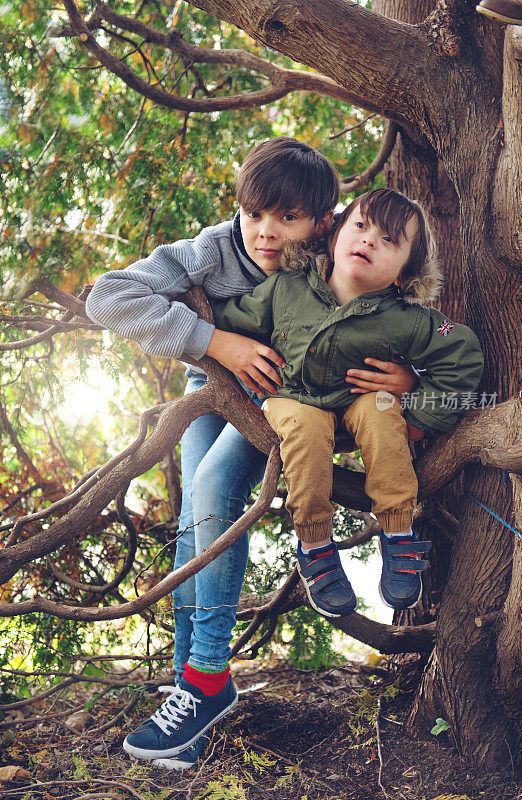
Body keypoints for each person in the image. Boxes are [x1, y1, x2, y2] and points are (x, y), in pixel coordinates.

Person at [85, 140, 418, 765]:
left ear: (323, 221)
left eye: (287, 218)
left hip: (293, 399)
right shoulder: (213, 248)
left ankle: (207, 677)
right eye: (254, 214)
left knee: (214, 489)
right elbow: (108, 298)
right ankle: (190, 689)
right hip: (215, 387)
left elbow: (397, 316)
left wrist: (407, 378)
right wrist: (215, 341)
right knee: (193, 527)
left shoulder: (337, 251)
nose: (266, 233)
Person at [214, 188, 484, 620]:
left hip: (358, 406)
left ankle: (398, 531)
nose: (370, 240)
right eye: (360, 226)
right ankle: (316, 544)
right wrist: (204, 327)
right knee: (303, 423)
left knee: (380, 407)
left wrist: (421, 419)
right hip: (294, 400)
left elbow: (461, 352)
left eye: (389, 240)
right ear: (336, 234)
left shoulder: (405, 318)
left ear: (403, 274)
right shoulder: (287, 287)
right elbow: (232, 316)